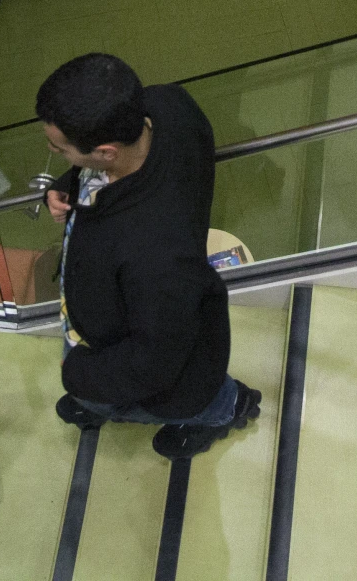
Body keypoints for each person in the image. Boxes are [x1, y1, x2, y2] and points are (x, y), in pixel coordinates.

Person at [39, 54, 261, 460]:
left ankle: (229, 409)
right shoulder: (165, 106)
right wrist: (68, 182)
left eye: (59, 148)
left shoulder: (158, 255)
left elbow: (154, 362)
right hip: (115, 319)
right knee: (98, 391)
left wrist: (79, 374)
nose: (52, 151)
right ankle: (99, 401)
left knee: (203, 397)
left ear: (106, 152)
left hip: (171, 377)